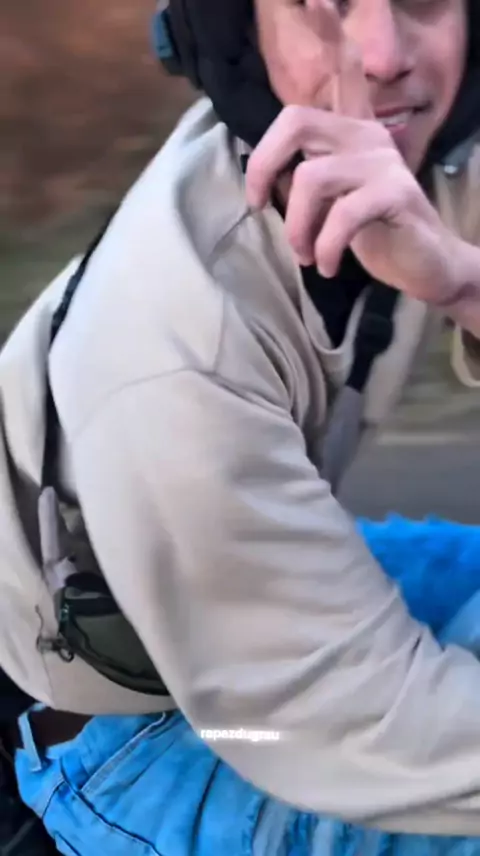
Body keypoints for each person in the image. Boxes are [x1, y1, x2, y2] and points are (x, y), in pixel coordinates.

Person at [3, 0, 480, 852]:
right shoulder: (173, 345)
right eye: (325, 3)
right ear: (237, 33)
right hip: (126, 729)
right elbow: (366, 727)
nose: (382, 53)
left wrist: (464, 285)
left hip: (251, 596)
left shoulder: (428, 167)